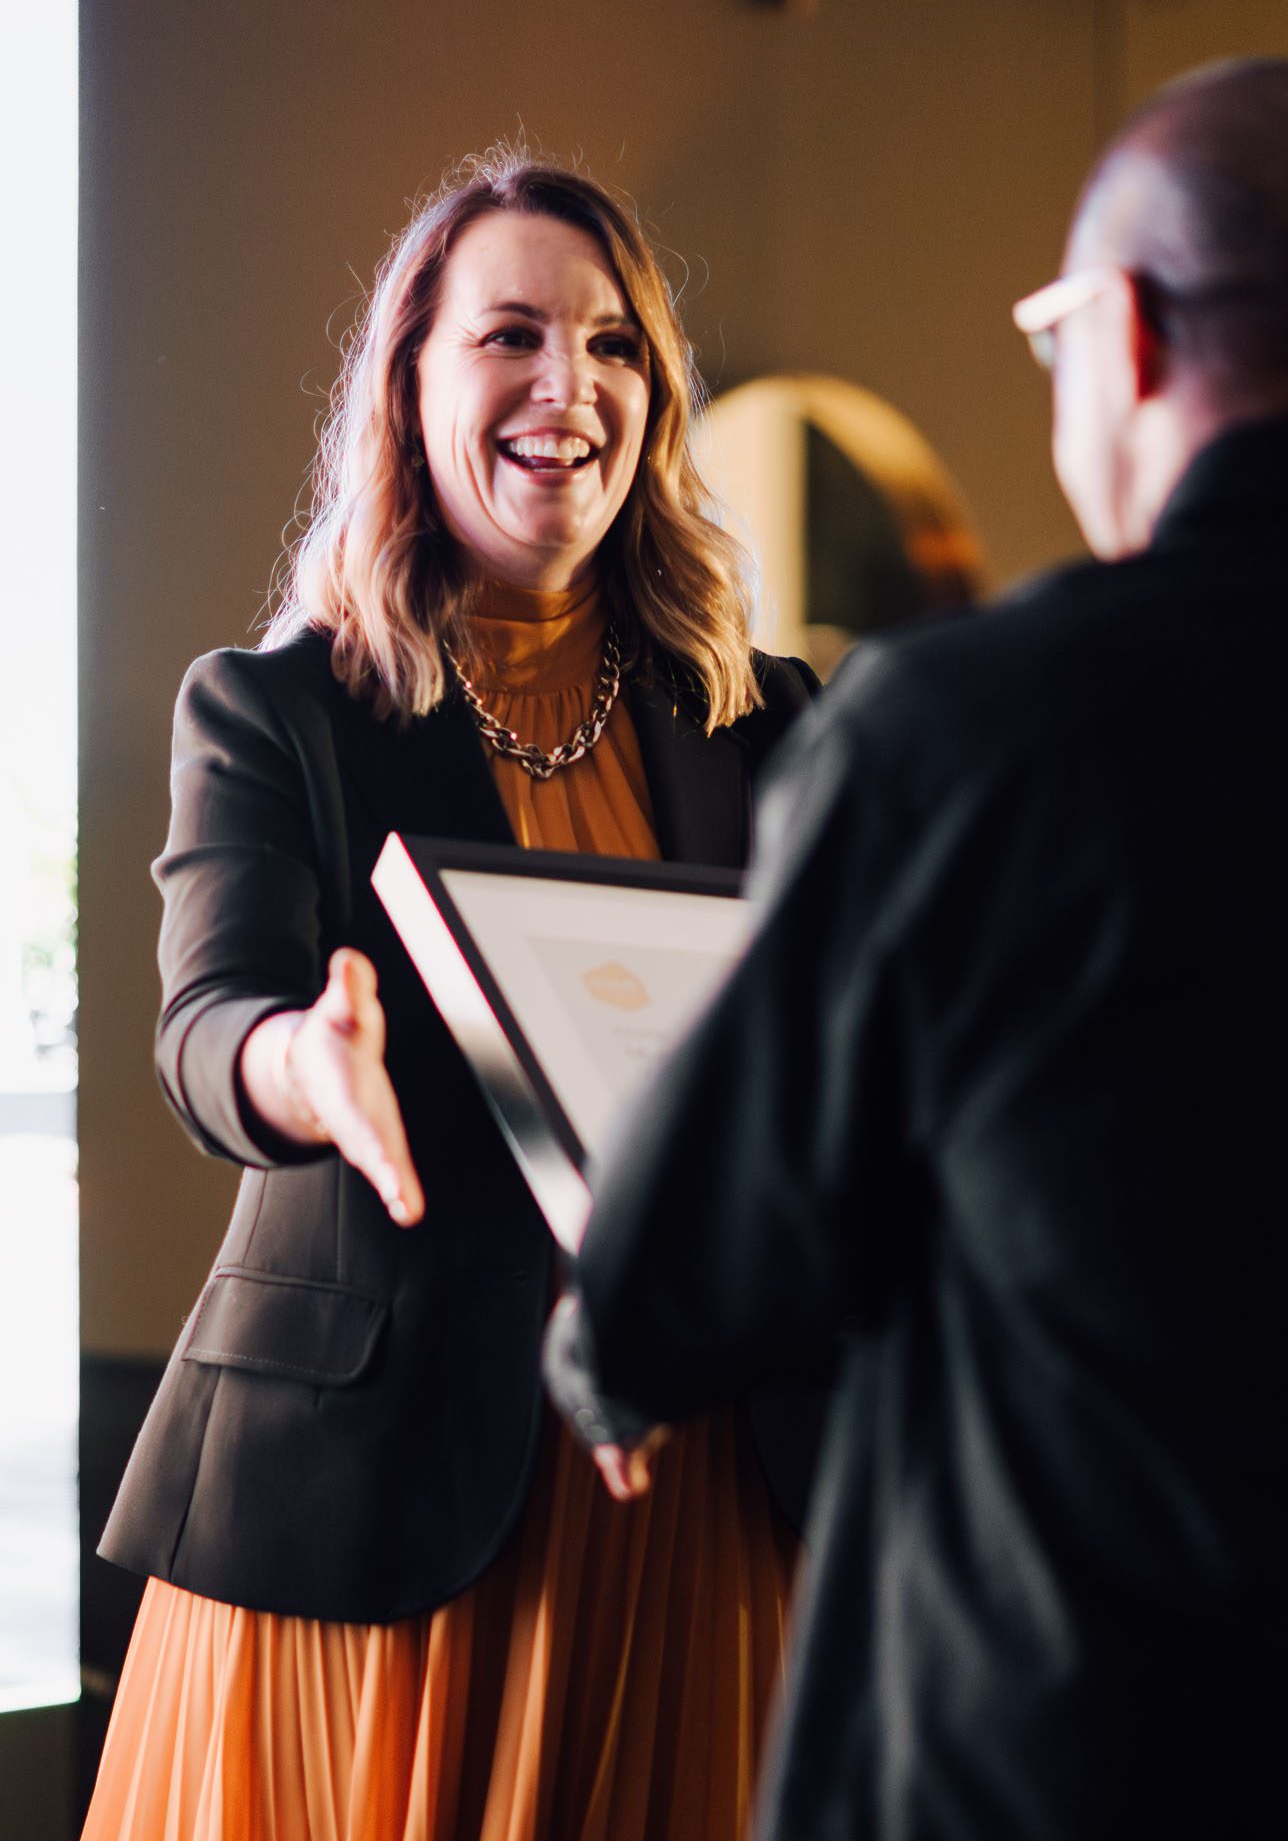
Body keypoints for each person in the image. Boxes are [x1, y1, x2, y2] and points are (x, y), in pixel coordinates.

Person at [547, 56, 1288, 1839]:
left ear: (1127, 334)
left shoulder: (973, 733)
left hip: (1058, 1746)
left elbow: (693, 1256)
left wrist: (611, 1359)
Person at [83, 153, 822, 1841]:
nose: (570, 385)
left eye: (614, 345)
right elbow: (207, 1025)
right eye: (510, 336)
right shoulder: (277, 711)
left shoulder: (774, 724)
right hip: (378, 1492)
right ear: (409, 385)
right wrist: (303, 1064)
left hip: (696, 1478)